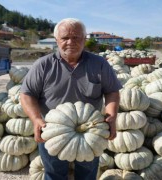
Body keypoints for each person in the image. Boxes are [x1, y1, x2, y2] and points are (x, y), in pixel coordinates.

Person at [20, 18, 122, 180]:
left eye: (76, 37)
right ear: (56, 40)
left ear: (84, 40)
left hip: (90, 131)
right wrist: (36, 119)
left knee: (87, 175)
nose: (70, 42)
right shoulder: (43, 65)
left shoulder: (99, 64)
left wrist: (111, 116)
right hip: (52, 131)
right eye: (65, 38)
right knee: (54, 174)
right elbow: (27, 94)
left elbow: (112, 91)